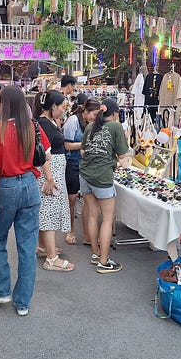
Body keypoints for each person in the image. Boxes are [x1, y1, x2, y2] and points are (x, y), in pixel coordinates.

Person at [0, 86, 55, 317]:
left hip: (6, 188)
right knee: (27, 246)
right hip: (31, 187)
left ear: (4, 104)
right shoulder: (33, 128)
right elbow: (46, 155)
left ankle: (1, 290)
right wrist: (49, 179)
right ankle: (23, 302)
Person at [80, 98, 130, 273]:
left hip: (85, 174)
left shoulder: (90, 126)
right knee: (108, 219)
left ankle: (96, 254)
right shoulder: (116, 126)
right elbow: (123, 156)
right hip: (102, 176)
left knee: (93, 215)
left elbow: (83, 150)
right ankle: (104, 261)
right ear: (115, 113)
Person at [33, 90, 75, 272]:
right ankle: (51, 257)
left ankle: (44, 247)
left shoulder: (48, 122)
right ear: (53, 106)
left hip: (54, 171)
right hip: (49, 173)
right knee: (49, 211)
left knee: (47, 211)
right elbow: (44, 154)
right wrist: (49, 178)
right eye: (62, 107)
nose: (63, 111)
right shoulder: (42, 124)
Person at [63, 95, 100, 246]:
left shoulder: (91, 123)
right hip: (72, 163)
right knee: (71, 199)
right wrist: (85, 144)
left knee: (88, 199)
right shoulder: (73, 121)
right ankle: (70, 231)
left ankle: (87, 234)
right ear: (85, 111)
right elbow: (67, 146)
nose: (95, 118)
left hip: (87, 164)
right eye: (94, 114)